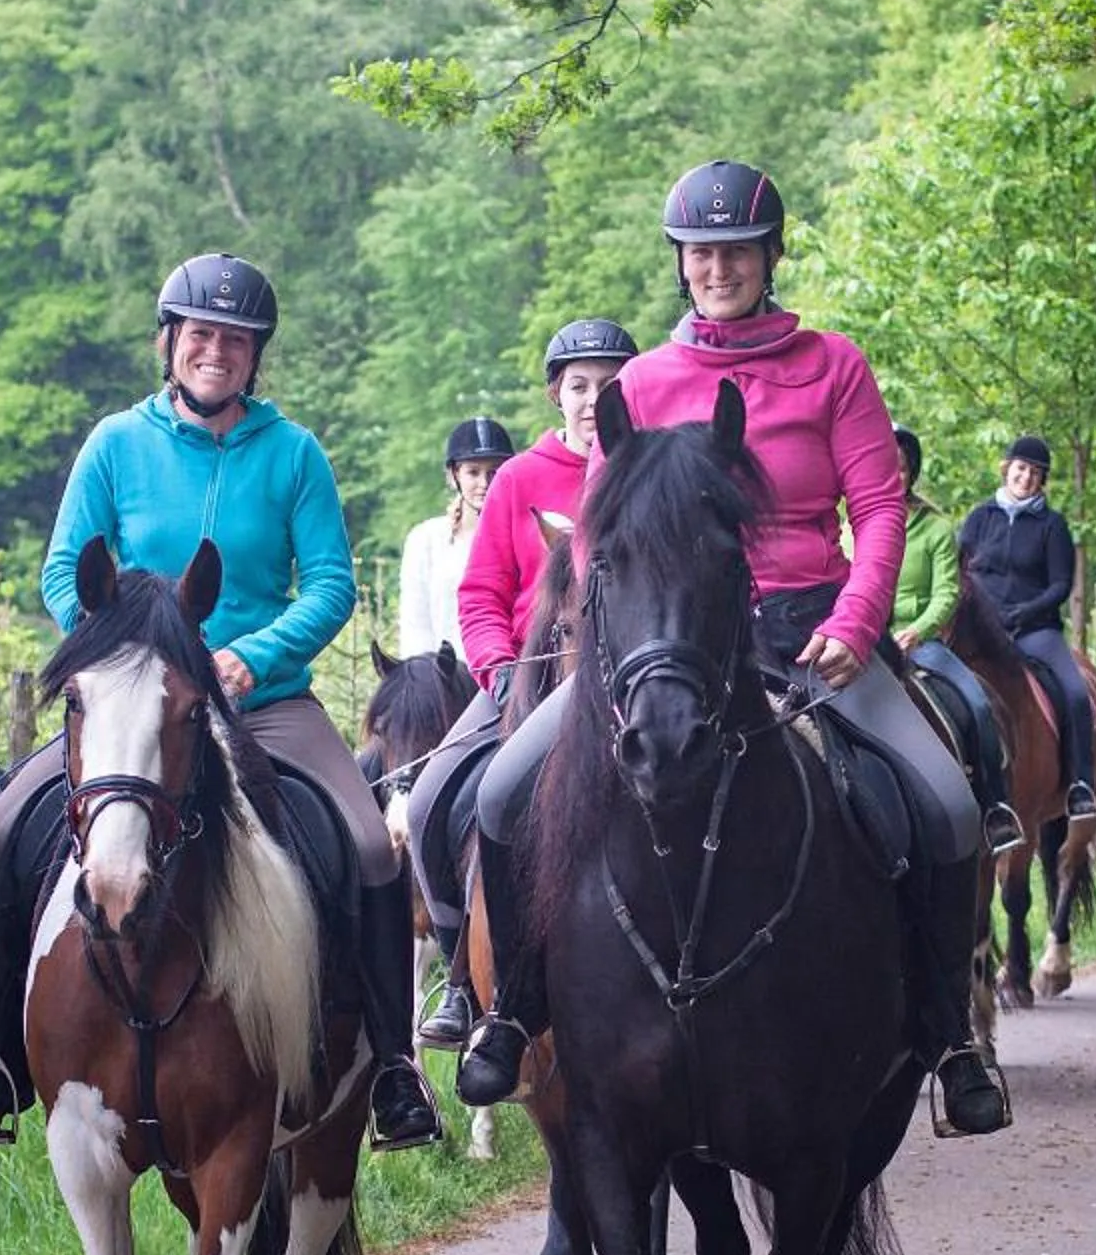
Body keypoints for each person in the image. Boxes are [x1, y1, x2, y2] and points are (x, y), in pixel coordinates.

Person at [453, 160, 1010, 1137]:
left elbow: (878, 508)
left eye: (737, 252)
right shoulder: (643, 383)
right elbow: (595, 530)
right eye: (701, 253)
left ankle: (947, 1030)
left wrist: (857, 621)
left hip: (808, 634)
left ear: (769, 256)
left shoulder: (834, 364)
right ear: (681, 263)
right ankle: (512, 1010)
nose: (719, 268)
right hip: (667, 647)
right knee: (502, 794)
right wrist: (615, 646)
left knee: (947, 802)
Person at [0, 252, 440, 1152]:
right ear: (170, 343)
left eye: (237, 342)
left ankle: (395, 1072)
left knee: (370, 847)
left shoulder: (293, 453)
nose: (217, 352)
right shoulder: (114, 444)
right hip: (136, 701)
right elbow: (67, 571)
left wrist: (251, 658)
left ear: (257, 358)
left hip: (263, 700)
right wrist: (124, 657)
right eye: (202, 336)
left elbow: (328, 584)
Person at [402, 318, 637, 1048]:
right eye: (579, 386)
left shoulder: (646, 465)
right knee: (435, 797)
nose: (593, 399)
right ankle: (463, 983)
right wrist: (499, 672)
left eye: (609, 385)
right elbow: (480, 593)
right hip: (528, 676)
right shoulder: (518, 479)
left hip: (627, 674)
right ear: (555, 395)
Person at [889, 425, 1021, 852]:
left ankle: (996, 810)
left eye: (902, 467)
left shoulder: (934, 528)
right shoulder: (849, 526)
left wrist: (918, 630)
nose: (893, 473)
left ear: (912, 473)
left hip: (920, 643)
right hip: (864, 643)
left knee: (977, 704)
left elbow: (948, 592)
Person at [958, 435, 1096, 817]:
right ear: (1007, 469)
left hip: (1035, 630)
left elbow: (1059, 585)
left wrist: (1021, 614)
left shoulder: (1052, 526)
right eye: (1021, 468)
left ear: (1042, 480)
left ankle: (1080, 783)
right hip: (982, 633)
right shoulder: (979, 518)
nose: (1026, 477)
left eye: (1036, 473)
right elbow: (961, 574)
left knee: (1072, 691)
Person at [395, 416, 514, 657]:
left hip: (505, 674)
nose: (484, 483)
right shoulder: (425, 539)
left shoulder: (521, 538)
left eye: (494, 472)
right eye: (473, 472)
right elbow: (416, 627)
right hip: (444, 679)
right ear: (453, 475)